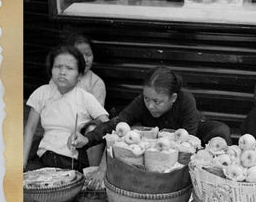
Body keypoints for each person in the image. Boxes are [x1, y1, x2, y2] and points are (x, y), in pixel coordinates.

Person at [69, 66, 231, 180]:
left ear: (173, 98)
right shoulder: (141, 102)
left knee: (221, 130)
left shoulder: (186, 100)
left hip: (186, 142)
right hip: (154, 147)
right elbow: (116, 123)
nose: (150, 106)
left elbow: (189, 140)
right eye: (147, 99)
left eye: (157, 101)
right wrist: (88, 139)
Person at [23, 45, 109, 172]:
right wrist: (22, 162)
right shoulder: (42, 93)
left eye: (69, 68)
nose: (62, 72)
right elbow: (29, 130)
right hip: (44, 156)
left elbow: (106, 123)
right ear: (51, 70)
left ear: (79, 75)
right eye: (58, 67)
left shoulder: (85, 97)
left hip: (72, 160)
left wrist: (86, 135)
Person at [65, 33, 108, 166]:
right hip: (65, 122)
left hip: (85, 126)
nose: (86, 59)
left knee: (93, 128)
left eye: (88, 54)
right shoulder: (62, 78)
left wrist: (78, 127)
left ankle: (92, 171)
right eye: (80, 55)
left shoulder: (96, 83)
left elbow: (97, 116)